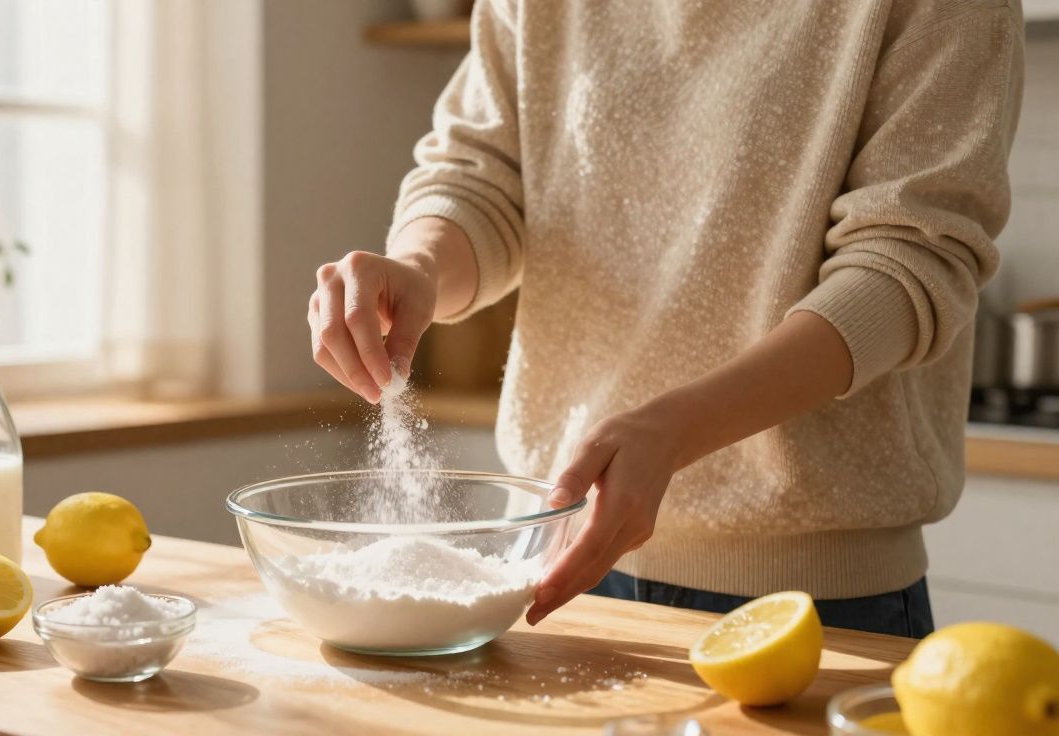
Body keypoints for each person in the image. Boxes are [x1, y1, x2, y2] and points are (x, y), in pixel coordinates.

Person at [306, 0, 1023, 638]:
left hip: (810, 598)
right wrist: (420, 265)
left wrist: (679, 430)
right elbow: (481, 173)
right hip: (559, 571)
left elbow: (908, 266)